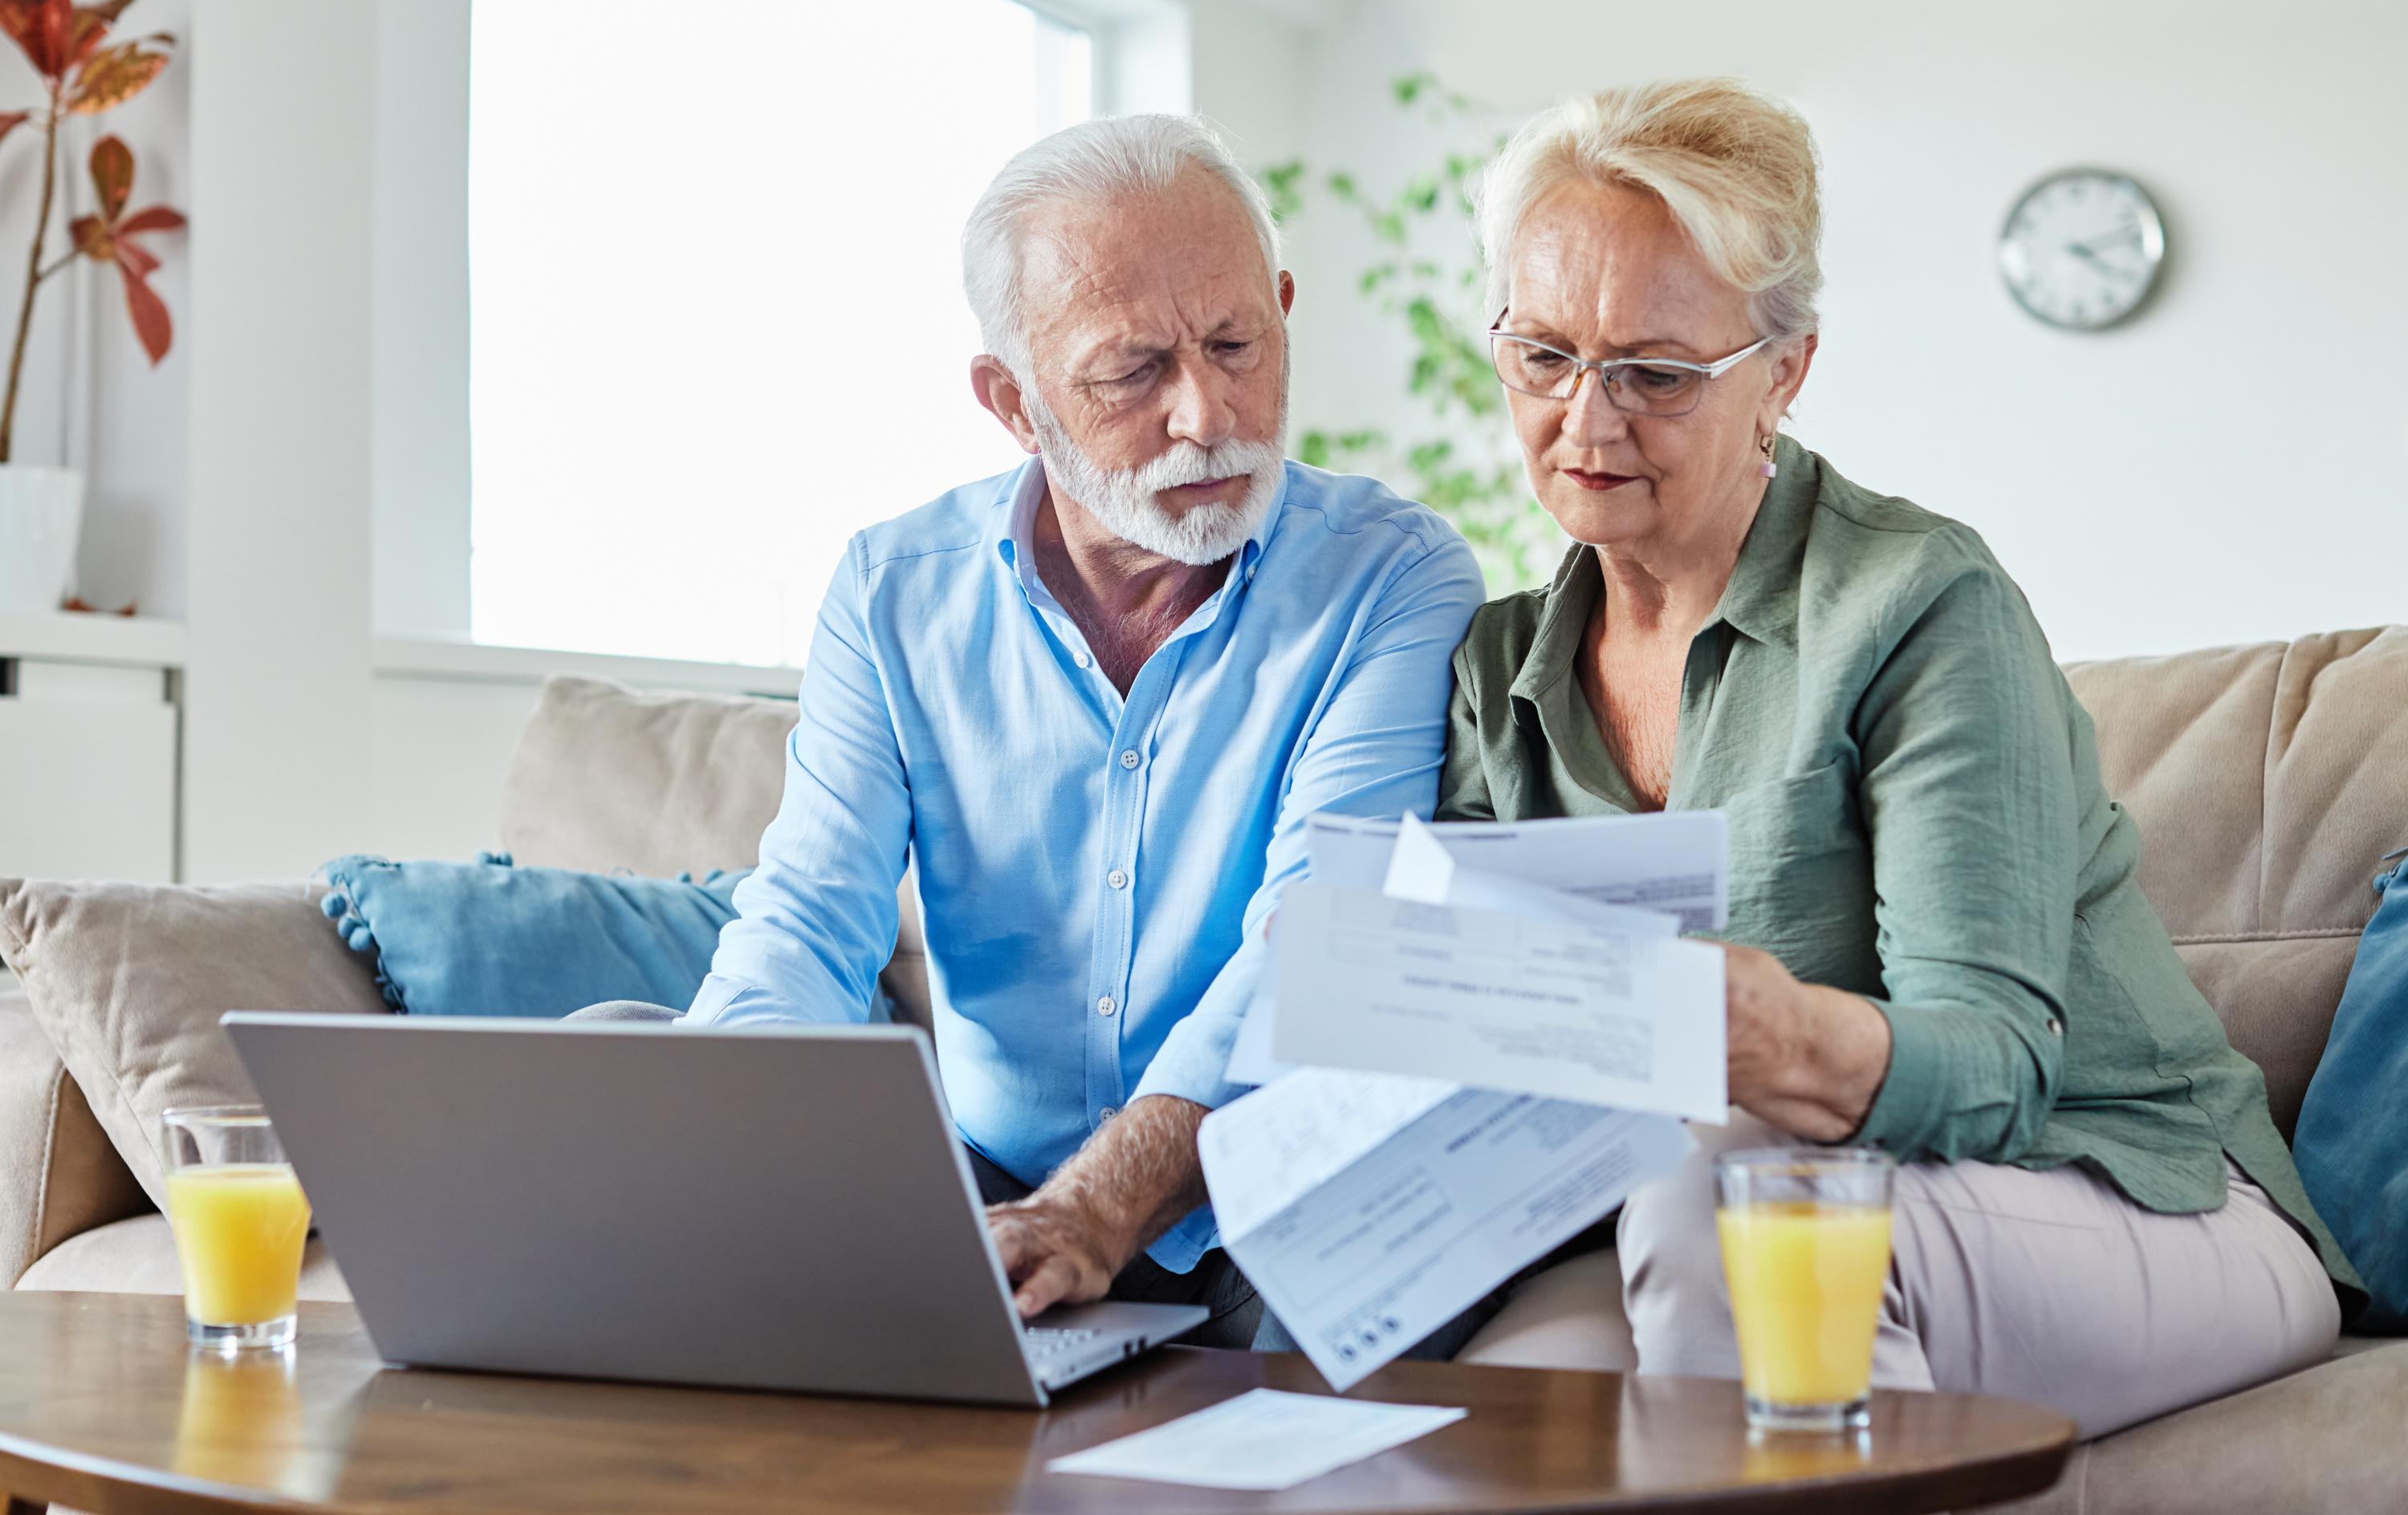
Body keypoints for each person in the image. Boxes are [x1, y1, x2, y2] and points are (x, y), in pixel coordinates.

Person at [1436, 78, 2358, 1437]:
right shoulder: (1493, 672)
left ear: (1784, 370)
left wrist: (1777, 1039)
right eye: (1543, 355)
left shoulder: (1919, 600)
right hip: (1706, 1195)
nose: (1586, 417)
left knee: (1734, 1198)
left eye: (1656, 372)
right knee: (1481, 1402)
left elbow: (1995, 1065)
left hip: (2134, 1193)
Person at [683, 114, 1485, 1346]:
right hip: (993, 1182)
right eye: (1133, 372)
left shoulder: (1395, 577)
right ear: (1014, 399)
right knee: (633, 1063)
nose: (1207, 414)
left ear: (1281, 309)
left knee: (1397, 1263)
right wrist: (709, 1127)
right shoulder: (895, 591)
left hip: (1265, 1197)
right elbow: (806, 918)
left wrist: (1100, 1208)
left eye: (1237, 344)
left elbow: (1317, 940)